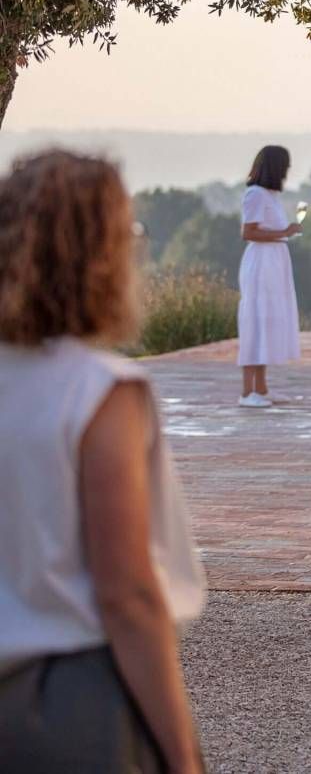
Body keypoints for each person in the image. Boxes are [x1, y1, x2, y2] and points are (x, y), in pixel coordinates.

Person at [0, 150, 207, 772]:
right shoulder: (97, 392)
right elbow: (127, 596)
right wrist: (183, 757)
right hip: (69, 703)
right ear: (100, 254)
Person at [238, 144, 302, 407]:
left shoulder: (270, 195)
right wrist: (284, 232)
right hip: (261, 264)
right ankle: (247, 392)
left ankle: (261, 388)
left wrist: (286, 232)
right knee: (255, 320)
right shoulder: (255, 194)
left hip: (274, 262)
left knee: (267, 321)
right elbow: (248, 232)